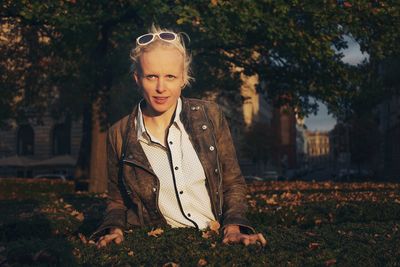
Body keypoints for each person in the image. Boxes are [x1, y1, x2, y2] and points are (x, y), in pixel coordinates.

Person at [94, 25, 266, 248]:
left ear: (183, 78)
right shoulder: (119, 133)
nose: (161, 87)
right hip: (161, 245)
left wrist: (233, 228)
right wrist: (114, 229)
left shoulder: (210, 116)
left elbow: (232, 183)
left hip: (216, 239)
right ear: (137, 79)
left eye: (170, 76)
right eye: (151, 76)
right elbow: (117, 201)